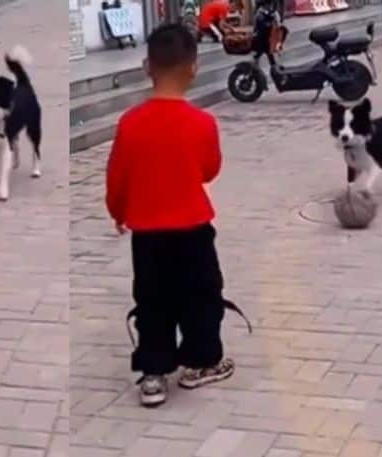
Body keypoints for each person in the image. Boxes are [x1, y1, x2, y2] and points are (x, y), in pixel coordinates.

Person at [106, 23, 235, 408]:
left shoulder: (129, 123)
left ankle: (153, 374)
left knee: (152, 301)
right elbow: (210, 170)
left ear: (147, 66)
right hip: (194, 230)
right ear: (194, 68)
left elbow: (117, 178)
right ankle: (201, 362)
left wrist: (119, 212)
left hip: (147, 235)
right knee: (202, 297)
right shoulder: (203, 123)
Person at [252, 0, 282, 66]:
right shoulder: (260, 14)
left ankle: (273, 67)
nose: (270, 7)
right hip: (260, 38)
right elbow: (261, 26)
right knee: (261, 52)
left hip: (266, 38)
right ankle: (255, 66)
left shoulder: (269, 13)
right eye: (269, 5)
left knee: (268, 53)